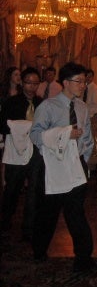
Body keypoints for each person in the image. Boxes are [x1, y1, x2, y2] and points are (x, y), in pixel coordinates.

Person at [29, 62, 95, 271]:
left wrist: (84, 159)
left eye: (84, 81)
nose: (83, 85)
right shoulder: (48, 106)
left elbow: (88, 138)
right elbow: (35, 135)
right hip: (53, 167)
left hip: (76, 166)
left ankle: (83, 258)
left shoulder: (82, 107)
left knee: (76, 212)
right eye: (79, 81)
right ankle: (39, 251)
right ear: (66, 82)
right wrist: (63, 134)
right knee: (49, 212)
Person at [0, 67, 43, 241]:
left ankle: (29, 226)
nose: (31, 87)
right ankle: (5, 220)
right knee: (12, 188)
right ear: (22, 83)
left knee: (33, 190)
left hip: (35, 152)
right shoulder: (12, 102)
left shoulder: (42, 103)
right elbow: (3, 126)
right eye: (28, 83)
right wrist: (21, 127)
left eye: (35, 83)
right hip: (16, 152)